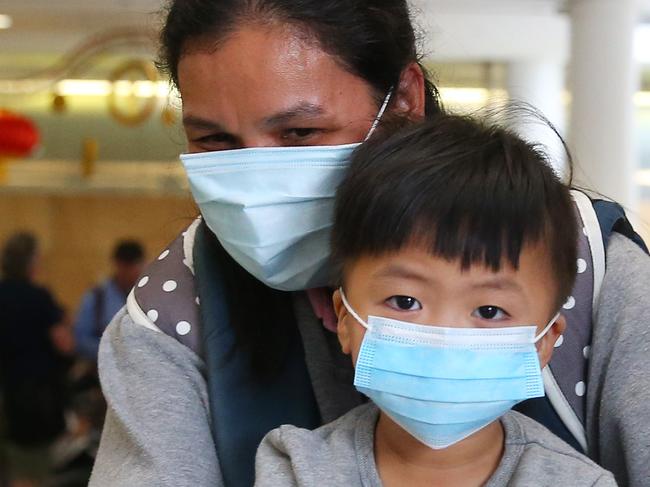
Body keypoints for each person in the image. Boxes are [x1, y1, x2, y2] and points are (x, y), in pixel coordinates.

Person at [89, 1, 650, 486]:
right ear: (344, 317)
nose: (258, 178)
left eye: (300, 133)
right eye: (215, 139)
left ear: (403, 99)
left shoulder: (589, 272)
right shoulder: (176, 312)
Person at [255, 113, 617, 487]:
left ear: (543, 342)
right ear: (344, 320)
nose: (442, 336)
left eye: (489, 311)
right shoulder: (297, 467)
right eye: (405, 301)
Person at [0, 233, 72, 484]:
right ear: (33, 262)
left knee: (16, 464)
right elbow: (63, 343)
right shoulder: (39, 297)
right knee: (41, 467)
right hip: (39, 393)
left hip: (8, 390)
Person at [74, 240, 145, 362]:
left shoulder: (148, 296)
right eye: (130, 267)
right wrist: (113, 351)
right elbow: (80, 340)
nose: (135, 272)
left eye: (139, 266)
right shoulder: (96, 298)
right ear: (119, 265)